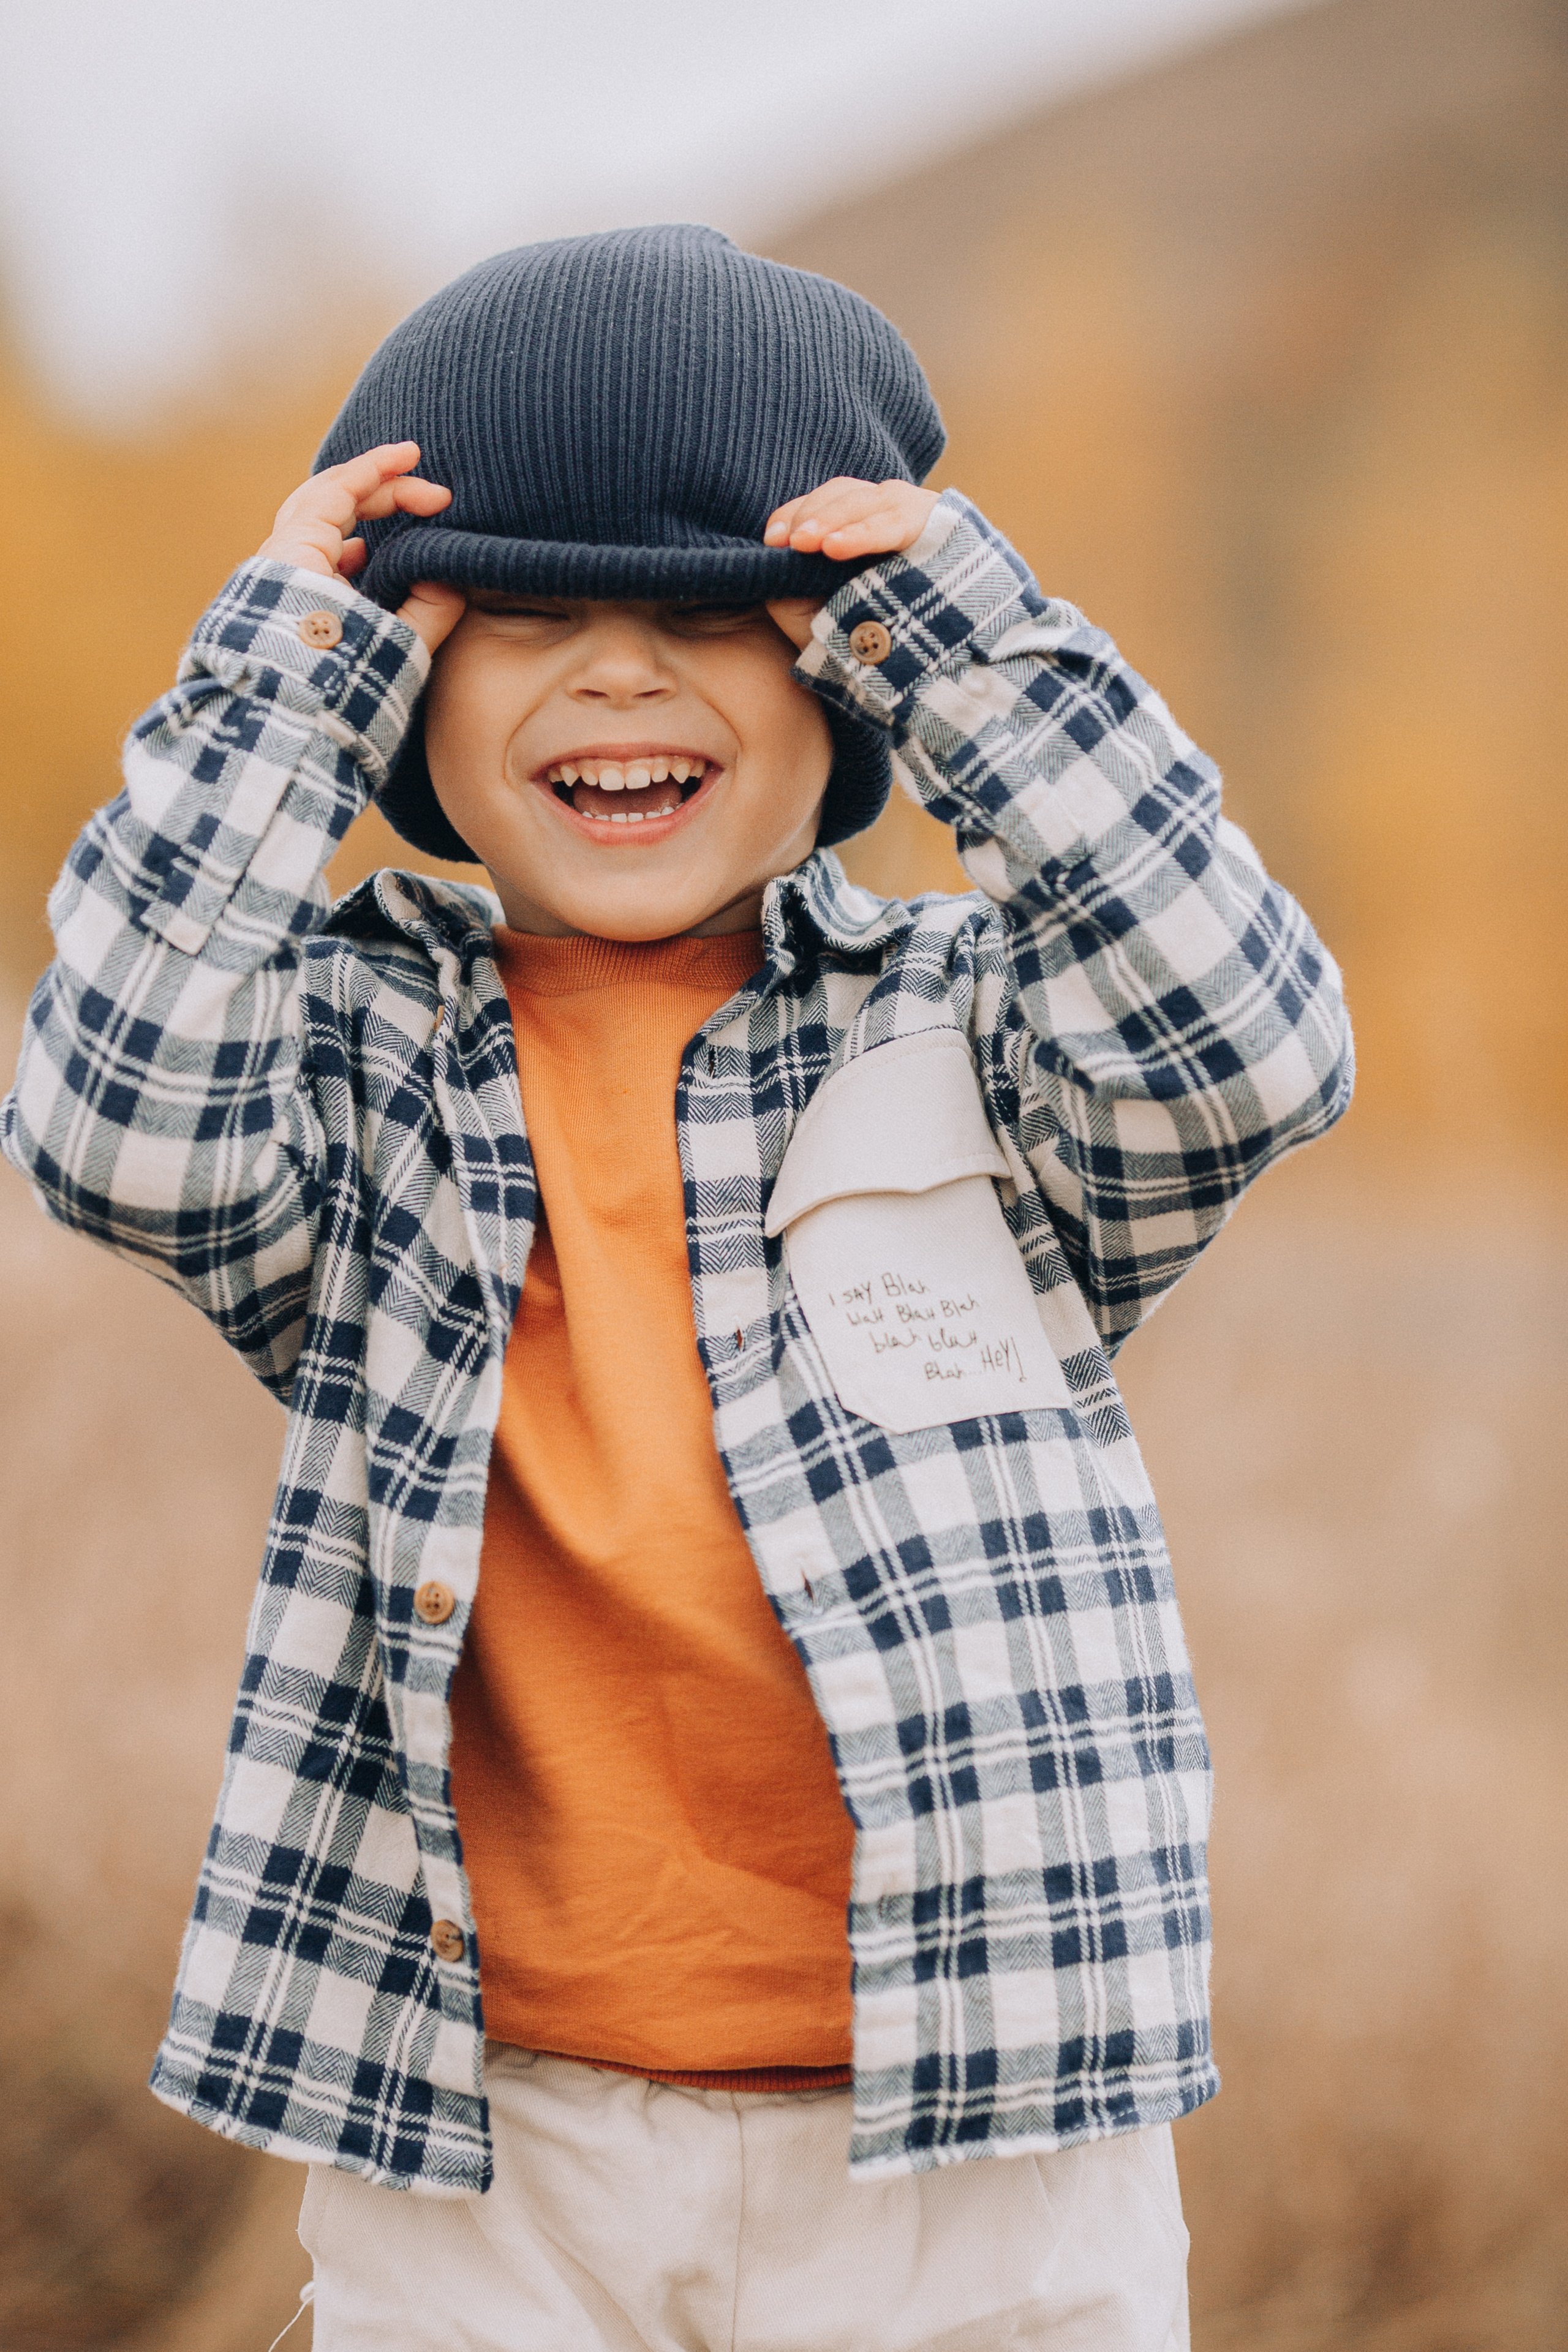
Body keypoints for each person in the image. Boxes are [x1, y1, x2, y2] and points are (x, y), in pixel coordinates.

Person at [2, 225, 1352, 2350]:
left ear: (841, 679)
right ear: (402, 687)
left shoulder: (977, 1035)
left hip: (983, 2133)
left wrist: (969, 643)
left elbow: (1248, 1043)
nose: (617, 675)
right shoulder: (358, 1064)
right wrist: (281, 664)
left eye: (716, 616)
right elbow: (112, 1120)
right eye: (524, 612)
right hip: (489, 2135)